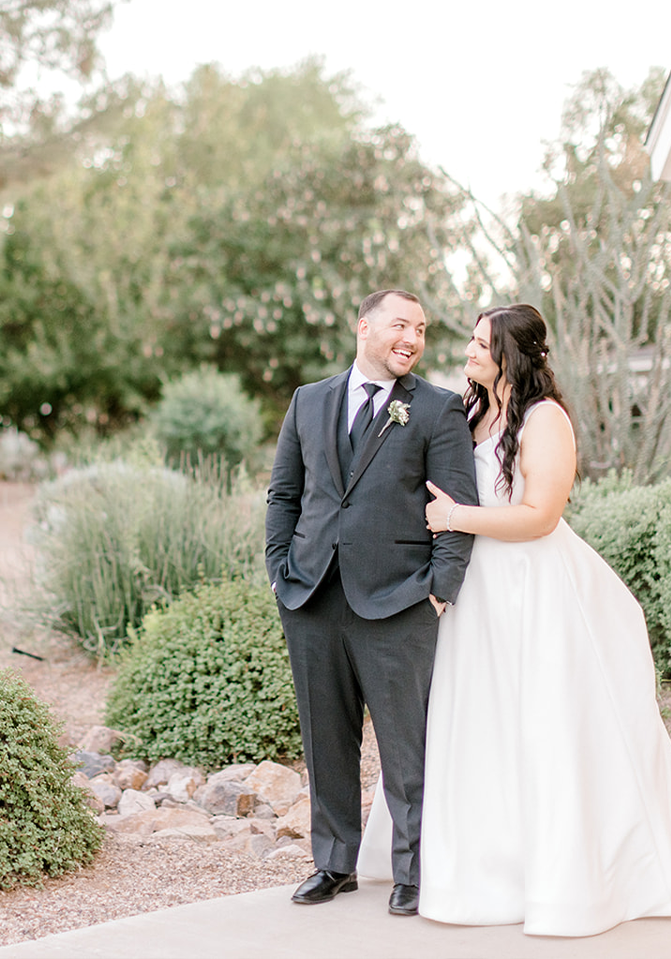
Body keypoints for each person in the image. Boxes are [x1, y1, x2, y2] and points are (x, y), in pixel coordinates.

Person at [358, 303, 671, 937]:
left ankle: (562, 878)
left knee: (543, 726)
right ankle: (473, 866)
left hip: (534, 588)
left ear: (511, 354)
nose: (468, 352)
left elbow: (540, 515)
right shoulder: (469, 413)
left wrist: (456, 520)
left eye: (480, 344)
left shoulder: (544, 418)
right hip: (474, 592)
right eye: (471, 342)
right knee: (474, 721)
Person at [265, 289, 478, 915]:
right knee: (324, 739)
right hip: (312, 597)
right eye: (399, 325)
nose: (411, 338)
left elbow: (457, 510)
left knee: (406, 745)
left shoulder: (438, 410)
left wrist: (441, 589)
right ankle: (334, 864)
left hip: (398, 601)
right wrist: (281, 572)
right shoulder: (308, 401)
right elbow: (284, 494)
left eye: (420, 328)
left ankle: (413, 871)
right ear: (365, 327)